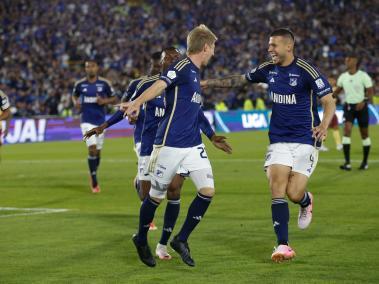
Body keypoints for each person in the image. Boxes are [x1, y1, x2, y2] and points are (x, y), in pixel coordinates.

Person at [201, 28, 335, 262]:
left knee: (294, 193)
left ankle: (306, 201)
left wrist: (324, 124)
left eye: (273, 45)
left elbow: (328, 100)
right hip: (278, 140)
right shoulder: (267, 70)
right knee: (277, 188)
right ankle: (283, 245)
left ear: (288, 47)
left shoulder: (306, 71)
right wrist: (207, 82)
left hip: (305, 139)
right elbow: (239, 80)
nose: (269, 49)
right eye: (269, 45)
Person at [123, 24, 221, 267]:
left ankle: (181, 239)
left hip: (192, 145)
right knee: (155, 196)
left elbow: (195, 111)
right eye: (213, 48)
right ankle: (142, 238)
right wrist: (136, 102)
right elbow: (161, 84)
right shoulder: (183, 66)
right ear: (206, 47)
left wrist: (211, 135)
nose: (214, 53)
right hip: (169, 143)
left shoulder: (195, 73)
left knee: (207, 191)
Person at [72, 58, 118, 193]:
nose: (89, 69)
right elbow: (74, 96)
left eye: (92, 66)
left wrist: (104, 101)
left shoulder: (104, 83)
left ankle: (93, 171)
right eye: (87, 67)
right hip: (86, 120)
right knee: (92, 149)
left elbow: (114, 98)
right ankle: (94, 179)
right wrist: (76, 102)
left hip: (100, 122)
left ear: (97, 68)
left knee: (97, 152)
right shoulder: (80, 84)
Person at [333, 53, 374, 170]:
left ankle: (365, 162)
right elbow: (336, 92)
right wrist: (329, 93)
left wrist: (365, 100)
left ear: (355, 61)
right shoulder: (343, 77)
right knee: (347, 131)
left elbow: (370, 92)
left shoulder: (363, 76)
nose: (346, 62)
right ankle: (347, 163)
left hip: (362, 107)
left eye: (348, 60)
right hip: (349, 108)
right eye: (346, 60)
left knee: (364, 134)